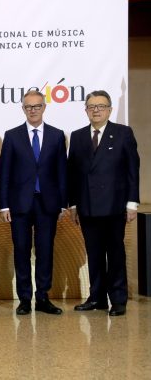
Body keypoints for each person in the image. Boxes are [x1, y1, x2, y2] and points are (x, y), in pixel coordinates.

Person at [68, 90, 140, 316]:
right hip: (87, 207)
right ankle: (97, 297)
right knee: (94, 253)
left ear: (109, 109)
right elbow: (72, 174)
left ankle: (118, 299)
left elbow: (132, 170)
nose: (96, 110)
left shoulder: (123, 133)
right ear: (86, 110)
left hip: (115, 205)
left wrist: (132, 203)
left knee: (115, 253)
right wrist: (73, 205)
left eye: (100, 106)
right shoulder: (78, 136)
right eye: (91, 106)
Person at [0, 89, 66, 315]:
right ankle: (25, 299)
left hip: (48, 204)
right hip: (19, 204)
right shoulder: (12, 135)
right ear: (23, 109)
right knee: (21, 250)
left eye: (37, 106)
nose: (33, 110)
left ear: (44, 107)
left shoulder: (57, 135)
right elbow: (5, 173)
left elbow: (61, 172)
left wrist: (63, 203)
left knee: (45, 250)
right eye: (29, 107)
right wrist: (4, 204)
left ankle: (43, 297)